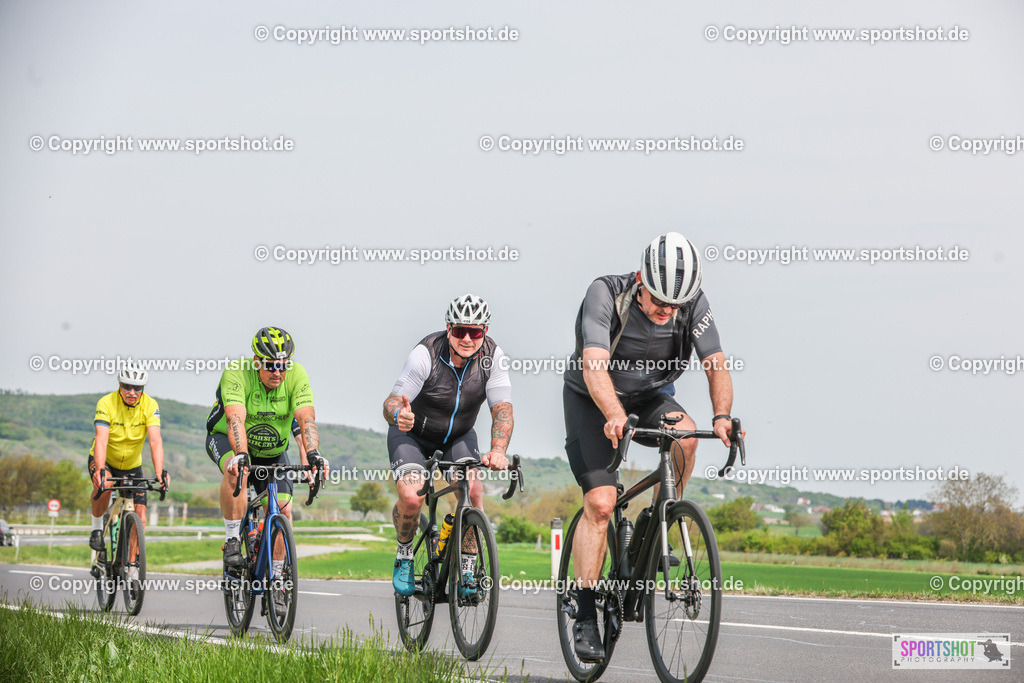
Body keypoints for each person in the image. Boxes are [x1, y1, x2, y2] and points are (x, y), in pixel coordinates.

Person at [562, 232, 744, 662]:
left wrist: (722, 415)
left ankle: (662, 517)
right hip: (593, 398)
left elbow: (715, 363)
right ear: (642, 279)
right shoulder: (605, 293)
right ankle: (585, 612)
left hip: (649, 396)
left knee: (687, 434)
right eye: (659, 302)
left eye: (674, 307)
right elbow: (593, 364)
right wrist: (611, 412)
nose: (667, 312)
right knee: (603, 503)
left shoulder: (692, 304)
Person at [383, 294, 513, 597]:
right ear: (448, 328)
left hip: (458, 437)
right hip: (412, 435)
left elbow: (502, 410)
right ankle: (404, 553)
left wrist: (498, 450)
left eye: (476, 332)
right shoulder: (425, 354)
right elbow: (390, 401)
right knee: (413, 498)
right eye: (459, 331)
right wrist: (398, 414)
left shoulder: (494, 358)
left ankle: (466, 569)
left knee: (473, 492)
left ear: (485, 331)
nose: (467, 338)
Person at [205, 326, 327, 602]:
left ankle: (277, 578)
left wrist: (314, 456)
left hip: (273, 450)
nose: (278, 372)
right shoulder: (237, 373)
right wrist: (241, 455)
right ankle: (233, 538)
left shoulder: (297, 375)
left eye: (283, 366)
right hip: (228, 438)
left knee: (284, 510)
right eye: (271, 366)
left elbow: (305, 420)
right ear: (257, 361)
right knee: (237, 471)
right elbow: (235, 419)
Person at [88, 361, 168, 563]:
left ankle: (131, 567)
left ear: (143, 389)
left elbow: (155, 441)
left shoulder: (151, 405)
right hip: (105, 459)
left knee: (140, 517)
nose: (132, 392)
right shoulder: (106, 403)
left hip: (132, 466)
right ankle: (97, 528)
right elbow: (101, 439)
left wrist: (160, 472)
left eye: (138, 388)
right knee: (105, 485)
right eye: (127, 387)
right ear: (119, 385)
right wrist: (100, 469)